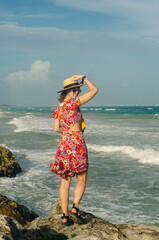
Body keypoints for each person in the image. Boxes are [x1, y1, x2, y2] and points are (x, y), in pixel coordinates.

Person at [49, 74, 98, 225]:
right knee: (81, 176)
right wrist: (85, 79)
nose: (76, 92)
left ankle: (65, 217)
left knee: (65, 180)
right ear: (67, 92)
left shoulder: (58, 108)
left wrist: (68, 131)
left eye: (77, 89)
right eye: (74, 90)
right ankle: (75, 208)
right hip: (76, 141)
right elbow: (94, 90)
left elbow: (56, 128)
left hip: (64, 143)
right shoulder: (73, 103)